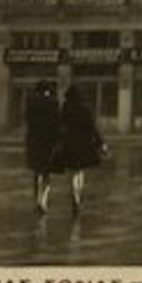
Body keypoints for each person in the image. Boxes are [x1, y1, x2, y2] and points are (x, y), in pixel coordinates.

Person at [57, 84, 107, 215]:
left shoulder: (65, 108)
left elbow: (61, 126)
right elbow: (92, 128)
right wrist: (101, 143)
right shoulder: (85, 109)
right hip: (83, 144)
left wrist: (60, 140)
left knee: (73, 172)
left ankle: (75, 195)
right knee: (80, 171)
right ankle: (78, 194)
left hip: (70, 144)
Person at [24, 80, 62, 215]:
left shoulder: (31, 102)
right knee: (46, 173)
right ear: (48, 90)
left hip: (34, 141)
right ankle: (43, 201)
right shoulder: (53, 103)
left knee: (36, 172)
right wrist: (58, 142)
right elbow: (57, 124)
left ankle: (36, 200)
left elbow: (27, 120)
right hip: (48, 142)